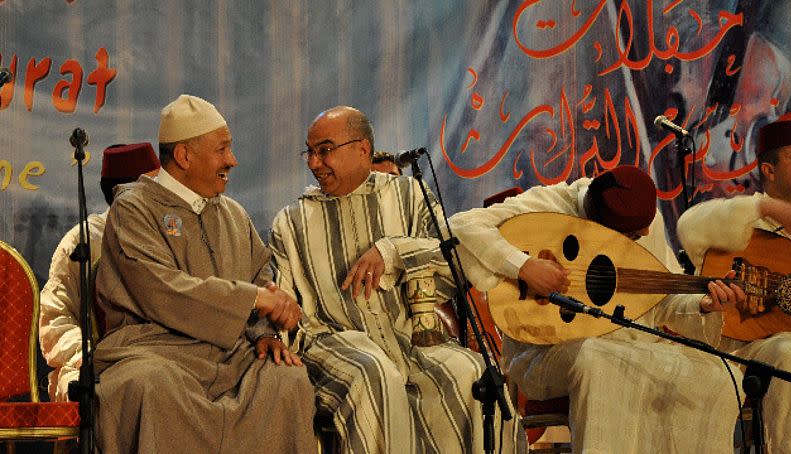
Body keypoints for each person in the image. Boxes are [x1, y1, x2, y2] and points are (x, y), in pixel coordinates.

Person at [268, 106, 525, 453]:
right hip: (336, 341)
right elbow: (284, 302)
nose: (314, 163)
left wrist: (394, 251)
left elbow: (451, 262)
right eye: (310, 153)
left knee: (472, 372)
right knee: (375, 375)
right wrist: (274, 336)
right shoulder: (292, 222)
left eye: (324, 150)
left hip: (412, 337)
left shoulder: (408, 196)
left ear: (362, 149)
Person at [449, 166, 746, 453]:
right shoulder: (550, 205)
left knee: (718, 374)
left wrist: (705, 305)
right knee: (602, 359)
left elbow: (664, 299)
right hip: (546, 353)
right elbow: (462, 226)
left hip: (635, 347)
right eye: (632, 237)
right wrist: (524, 266)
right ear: (601, 226)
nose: (644, 235)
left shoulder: (642, 220)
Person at [93, 94, 316, 453]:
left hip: (233, 355)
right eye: (223, 149)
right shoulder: (133, 209)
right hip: (153, 350)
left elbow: (261, 278)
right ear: (184, 156)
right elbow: (160, 289)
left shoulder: (232, 213)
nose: (233, 160)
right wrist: (254, 299)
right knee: (151, 384)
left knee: (286, 380)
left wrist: (264, 333)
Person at [678, 117, 791, 453]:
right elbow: (688, 226)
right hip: (748, 347)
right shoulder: (745, 220)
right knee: (789, 352)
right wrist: (767, 207)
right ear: (769, 170)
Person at [39, 142, 160, 402]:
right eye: (154, 186)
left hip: (160, 362)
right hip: (94, 364)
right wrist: (93, 356)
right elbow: (55, 318)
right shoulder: (85, 240)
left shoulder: (171, 236)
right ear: (127, 193)